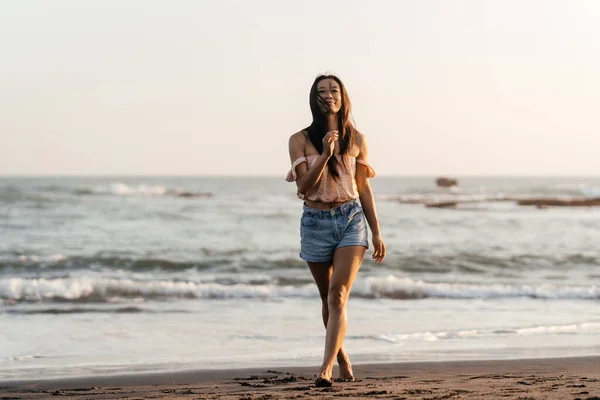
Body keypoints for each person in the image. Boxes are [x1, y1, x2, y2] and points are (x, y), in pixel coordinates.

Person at [286, 74, 386, 387]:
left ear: (342, 97)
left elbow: (363, 188)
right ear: (314, 100)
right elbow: (303, 186)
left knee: (338, 294)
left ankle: (325, 369)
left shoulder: (357, 139)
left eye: (334, 90)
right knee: (326, 297)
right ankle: (342, 358)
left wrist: (377, 231)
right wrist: (326, 155)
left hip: (351, 219)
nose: (328, 95)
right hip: (315, 222)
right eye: (321, 92)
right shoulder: (300, 140)